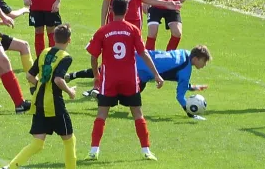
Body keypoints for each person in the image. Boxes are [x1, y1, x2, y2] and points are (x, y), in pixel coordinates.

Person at [0, 24, 91, 169]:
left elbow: (29, 76)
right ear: (69, 40)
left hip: (38, 101)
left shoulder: (44, 52)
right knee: (69, 140)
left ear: (54, 38)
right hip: (54, 104)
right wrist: (70, 92)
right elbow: (58, 80)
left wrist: (41, 85)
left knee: (38, 143)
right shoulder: (66, 57)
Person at [86, 0, 164, 161]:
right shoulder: (133, 30)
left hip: (110, 80)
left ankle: (94, 150)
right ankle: (146, 151)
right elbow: (143, 53)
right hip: (129, 79)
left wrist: (96, 76)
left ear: (111, 10)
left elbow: (93, 57)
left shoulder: (103, 31)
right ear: (127, 10)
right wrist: (156, 74)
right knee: (137, 113)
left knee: (101, 114)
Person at [67, 45, 211, 120]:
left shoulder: (184, 53)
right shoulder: (186, 71)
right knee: (127, 99)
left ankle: (74, 77)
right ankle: (97, 94)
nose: (204, 66)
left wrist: (192, 87)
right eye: (204, 62)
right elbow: (180, 96)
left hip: (141, 61)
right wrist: (191, 113)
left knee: (107, 71)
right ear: (196, 59)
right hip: (140, 68)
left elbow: (174, 74)